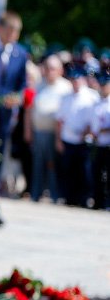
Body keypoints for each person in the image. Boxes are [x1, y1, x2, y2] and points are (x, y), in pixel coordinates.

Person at [0, 10, 27, 225]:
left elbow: (21, 85)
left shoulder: (20, 54)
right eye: (11, 30)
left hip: (3, 118)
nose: (14, 35)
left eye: (17, 32)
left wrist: (16, 98)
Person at [25, 55, 71, 202]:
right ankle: (35, 193)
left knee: (53, 165)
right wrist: (28, 131)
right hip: (39, 131)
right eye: (47, 68)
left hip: (55, 133)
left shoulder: (66, 87)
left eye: (53, 68)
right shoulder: (38, 85)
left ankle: (54, 194)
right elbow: (29, 110)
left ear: (60, 70)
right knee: (37, 164)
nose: (49, 71)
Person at [55, 66, 99, 207]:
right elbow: (60, 121)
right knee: (69, 171)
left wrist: (88, 132)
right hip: (68, 139)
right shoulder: (65, 98)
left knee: (84, 172)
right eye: (73, 79)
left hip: (84, 140)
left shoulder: (92, 96)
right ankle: (70, 198)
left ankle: (84, 198)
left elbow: (95, 119)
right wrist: (58, 140)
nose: (76, 82)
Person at [90, 70, 110, 210]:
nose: (103, 87)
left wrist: (102, 130)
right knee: (96, 174)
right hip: (98, 144)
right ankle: (98, 201)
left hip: (108, 144)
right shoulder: (96, 102)